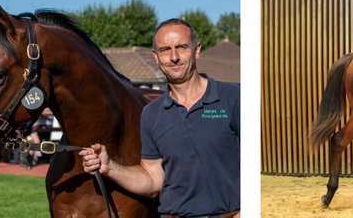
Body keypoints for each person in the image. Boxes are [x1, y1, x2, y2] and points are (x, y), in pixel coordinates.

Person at [82, 18, 240, 218]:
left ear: (196, 49)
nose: (174, 57)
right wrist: (109, 167)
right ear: (156, 57)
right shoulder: (151, 114)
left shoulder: (233, 97)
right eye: (165, 50)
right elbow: (152, 181)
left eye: (181, 47)